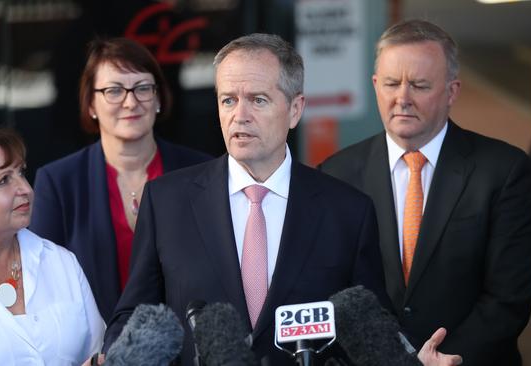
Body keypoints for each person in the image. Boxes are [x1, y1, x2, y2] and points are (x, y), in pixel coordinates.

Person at [95, 33, 461, 366]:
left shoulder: (347, 211)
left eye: (258, 100)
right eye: (228, 100)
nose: (240, 116)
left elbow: (370, 328)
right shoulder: (167, 201)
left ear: (295, 109)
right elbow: (132, 315)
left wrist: (409, 360)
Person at [319, 20, 531, 365]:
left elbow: (508, 299)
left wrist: (439, 360)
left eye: (420, 85)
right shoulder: (336, 173)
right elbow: (330, 287)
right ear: (376, 85)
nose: (402, 98)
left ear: (452, 91)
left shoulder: (504, 170)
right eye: (391, 83)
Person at [29, 37, 212, 322]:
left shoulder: (203, 171)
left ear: (159, 98)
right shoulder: (58, 183)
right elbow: (44, 287)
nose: (130, 101)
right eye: (114, 90)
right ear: (91, 103)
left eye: (142, 88)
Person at [0, 127, 104, 365]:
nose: (26, 189)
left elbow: (99, 353)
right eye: (4, 180)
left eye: (21, 173)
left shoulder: (61, 261)